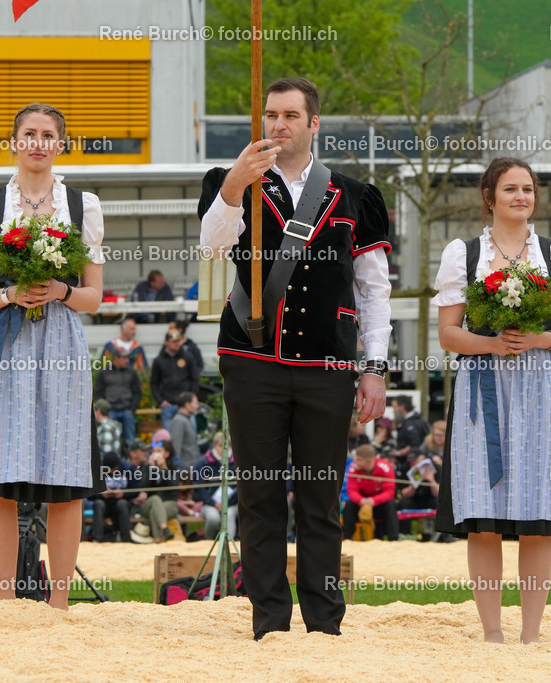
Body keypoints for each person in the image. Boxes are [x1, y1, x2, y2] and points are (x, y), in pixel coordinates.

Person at [198, 77, 391, 639]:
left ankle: (324, 625)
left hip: (328, 367)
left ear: (314, 124)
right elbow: (211, 248)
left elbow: (374, 291)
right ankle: (269, 625)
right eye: (269, 115)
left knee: (319, 501)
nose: (277, 125)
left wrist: (374, 367)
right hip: (251, 359)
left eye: (289, 115)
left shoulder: (356, 196)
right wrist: (235, 184)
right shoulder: (230, 182)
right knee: (259, 497)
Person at [0, 102, 107, 610]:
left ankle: (58, 604)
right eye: (29, 134)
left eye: (48, 135)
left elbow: (94, 298)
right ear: (14, 141)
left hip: (61, 345)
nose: (38, 142)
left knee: (64, 475)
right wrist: (11, 294)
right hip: (4, 345)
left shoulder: (83, 205)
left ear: (61, 144)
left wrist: (60, 289)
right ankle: (4, 600)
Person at [432, 157, 551, 644]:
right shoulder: (464, 253)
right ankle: (493, 632)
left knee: (540, 516)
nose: (521, 197)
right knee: (484, 516)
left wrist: (542, 341)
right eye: (510, 189)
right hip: (484, 386)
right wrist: (492, 343)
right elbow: (448, 334)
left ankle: (532, 632)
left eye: (527, 189)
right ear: (490, 196)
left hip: (543, 389)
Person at [342, 444, 399, 541]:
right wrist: (362, 500)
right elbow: (351, 490)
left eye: (359, 460)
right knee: (349, 505)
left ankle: (393, 539)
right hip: (362, 502)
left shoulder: (385, 468)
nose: (356, 462)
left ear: (368, 461)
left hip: (379, 504)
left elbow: (389, 493)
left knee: (391, 505)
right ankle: (347, 538)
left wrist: (374, 500)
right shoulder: (353, 468)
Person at [191, 432, 238, 540]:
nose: (223, 449)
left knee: (229, 515)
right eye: (220, 446)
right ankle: (209, 542)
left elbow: (241, 487)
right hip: (209, 504)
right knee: (213, 518)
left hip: (232, 503)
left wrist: (228, 502)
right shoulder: (202, 463)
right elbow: (199, 487)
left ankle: (229, 545)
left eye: (227, 446)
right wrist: (213, 503)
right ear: (214, 446)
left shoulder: (238, 463)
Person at [150, 329, 200, 430]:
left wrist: (191, 397)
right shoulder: (159, 361)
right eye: (174, 341)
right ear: (166, 343)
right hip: (168, 404)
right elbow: (154, 383)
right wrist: (161, 401)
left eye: (178, 341)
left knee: (190, 433)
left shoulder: (188, 357)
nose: (177, 344)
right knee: (169, 437)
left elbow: (194, 379)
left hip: (186, 404)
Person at [94, 348, 142, 446]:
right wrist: (104, 409)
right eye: (124, 358)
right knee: (109, 437)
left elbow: (137, 392)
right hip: (110, 411)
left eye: (128, 358)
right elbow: (98, 392)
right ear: (116, 358)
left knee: (129, 439)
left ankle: (129, 456)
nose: (127, 360)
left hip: (127, 410)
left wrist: (132, 408)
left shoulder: (131, 372)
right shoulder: (104, 372)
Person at [89, 451, 132, 543]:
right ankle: (97, 539)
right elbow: (88, 495)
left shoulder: (127, 469)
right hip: (103, 504)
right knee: (99, 504)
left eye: (114, 469)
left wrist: (123, 494)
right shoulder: (96, 471)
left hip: (120, 503)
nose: (111, 472)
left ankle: (126, 538)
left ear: (118, 466)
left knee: (122, 504)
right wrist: (101, 493)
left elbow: (136, 490)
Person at [391, 395, 430, 463]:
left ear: (402, 407)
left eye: (395, 408)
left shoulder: (411, 424)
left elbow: (415, 445)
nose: (393, 411)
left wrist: (399, 453)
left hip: (413, 462)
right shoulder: (411, 421)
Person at [170, 391, 201, 471]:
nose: (197, 406)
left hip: (192, 467)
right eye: (195, 403)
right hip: (185, 469)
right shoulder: (179, 421)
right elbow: (175, 447)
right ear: (187, 405)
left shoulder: (187, 420)